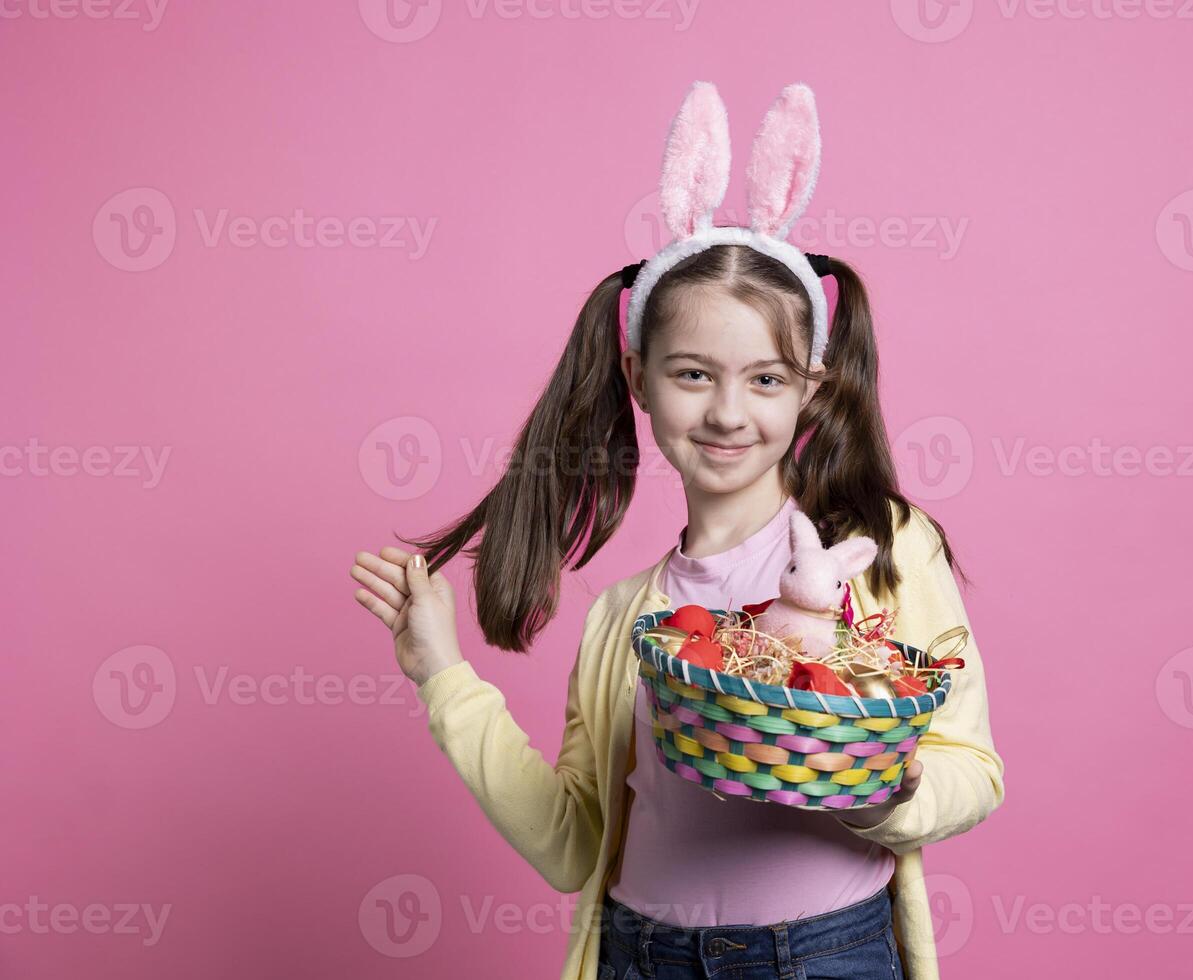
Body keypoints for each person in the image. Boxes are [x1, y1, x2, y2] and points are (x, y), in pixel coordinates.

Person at [349, 81, 1005, 980]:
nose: (729, 414)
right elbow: (572, 845)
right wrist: (442, 676)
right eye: (694, 374)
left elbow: (971, 765)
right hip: (639, 954)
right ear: (639, 376)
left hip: (826, 955)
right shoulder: (625, 620)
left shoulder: (879, 551)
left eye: (766, 380)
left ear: (810, 386)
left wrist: (880, 792)